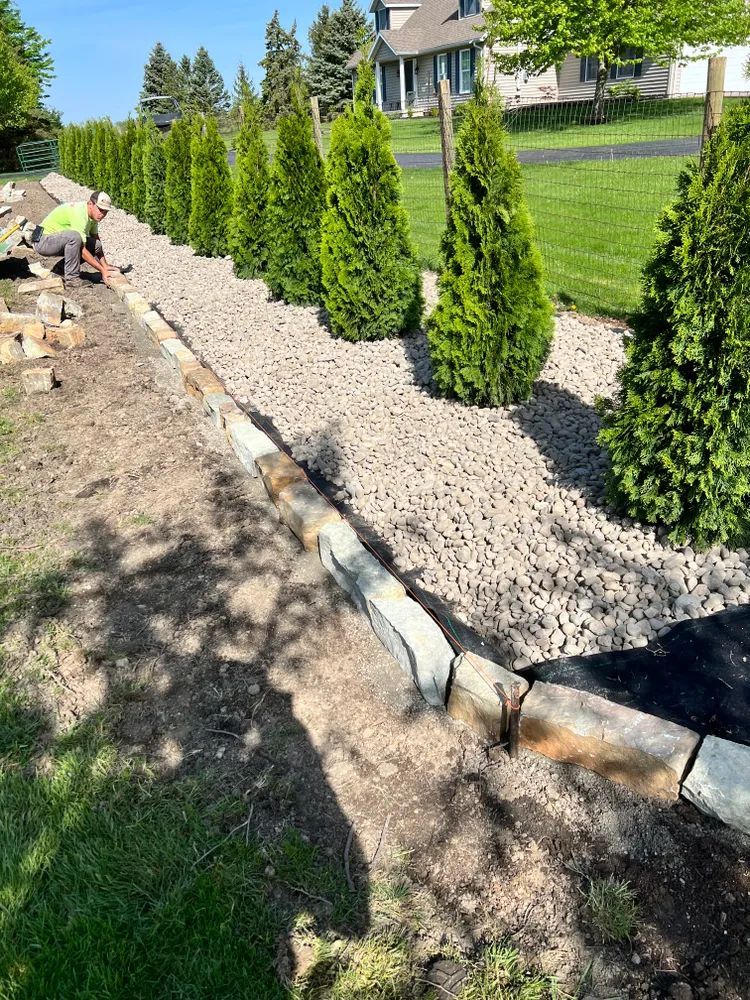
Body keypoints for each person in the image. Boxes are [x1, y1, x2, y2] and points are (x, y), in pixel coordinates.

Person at [32, 191, 119, 290]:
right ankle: (72, 279)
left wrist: (105, 265)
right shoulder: (80, 213)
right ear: (90, 204)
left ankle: (59, 270)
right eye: (100, 210)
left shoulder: (93, 216)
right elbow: (82, 250)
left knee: (96, 244)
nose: (102, 214)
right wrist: (102, 270)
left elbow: (95, 239)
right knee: (75, 237)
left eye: (105, 212)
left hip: (54, 240)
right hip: (42, 242)